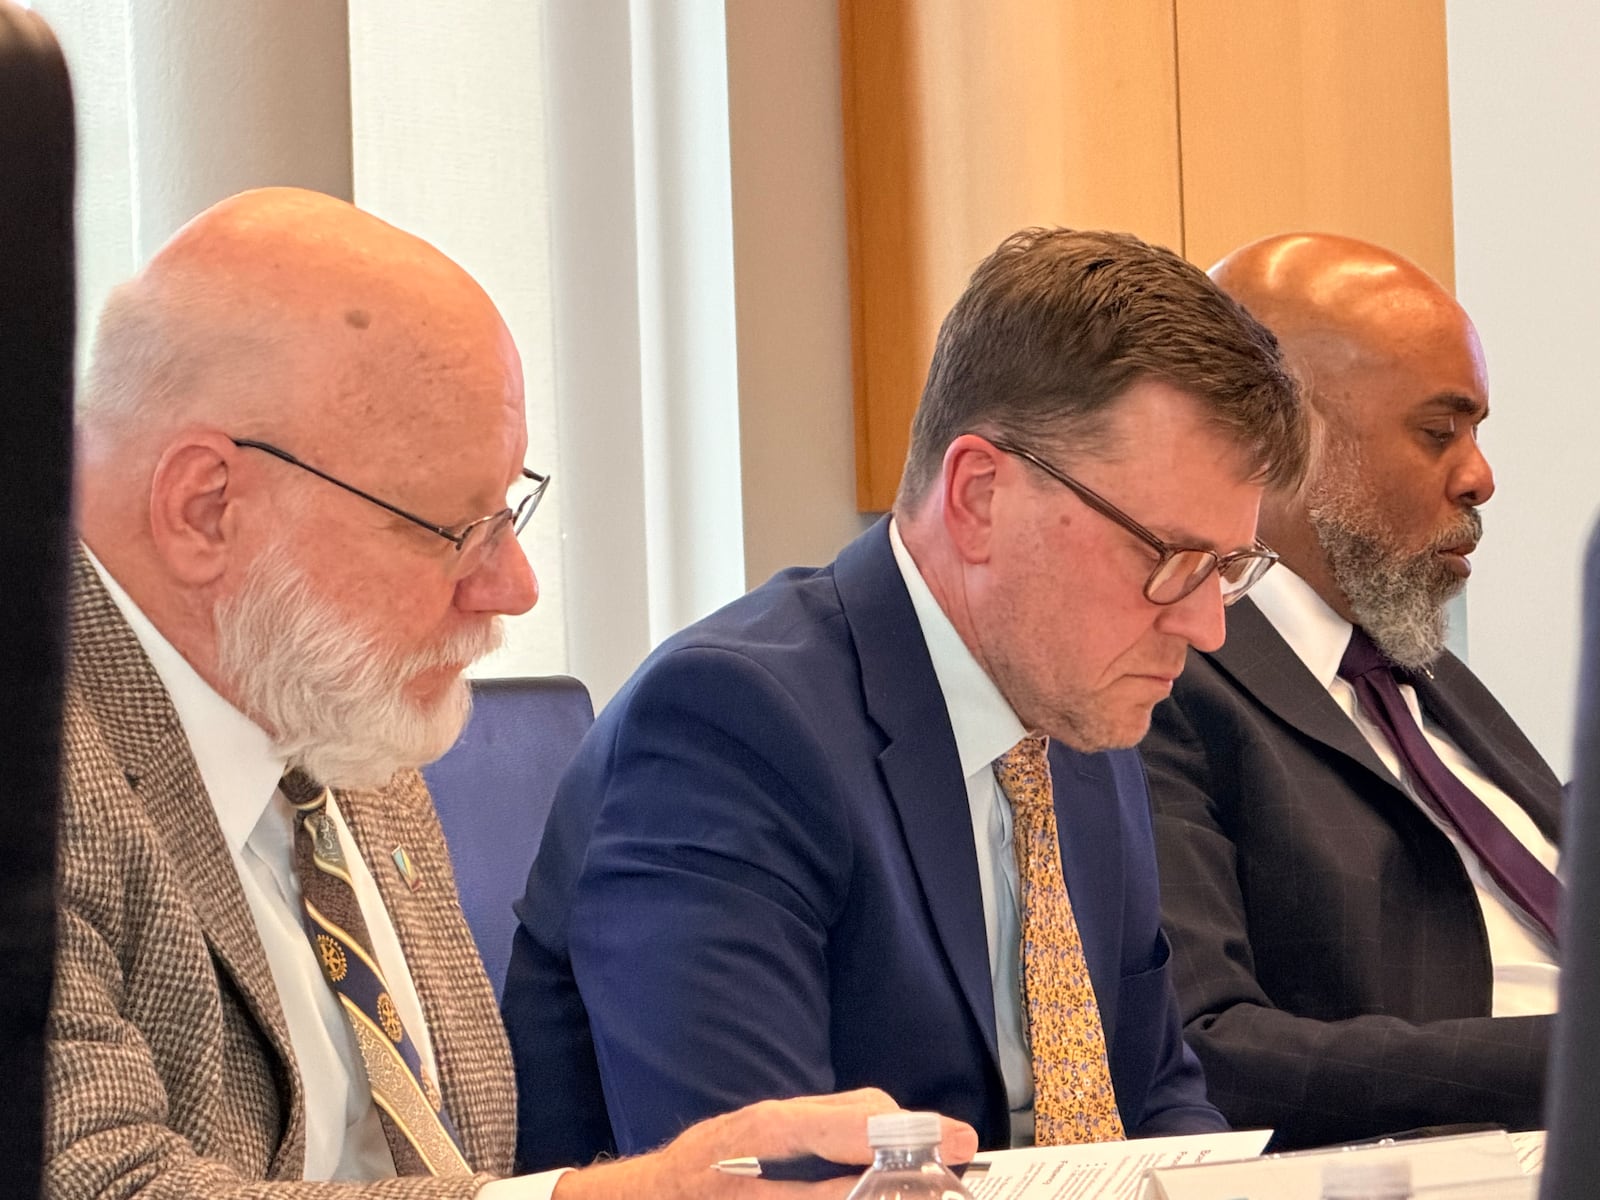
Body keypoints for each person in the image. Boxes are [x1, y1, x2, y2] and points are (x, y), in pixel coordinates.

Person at [50, 186, 976, 1197]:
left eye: (507, 512)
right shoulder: (40, 771)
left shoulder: (339, 724)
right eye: (450, 529)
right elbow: (95, 1182)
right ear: (205, 507)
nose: (513, 587)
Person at [504, 227, 1308, 1171]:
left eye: (1229, 568)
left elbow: (1156, 1102)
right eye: (1170, 558)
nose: (1207, 625)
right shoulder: (729, 725)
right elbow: (774, 1182)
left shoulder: (1079, 709)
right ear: (977, 496)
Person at [1140, 232, 1563, 1150]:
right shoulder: (1163, 680)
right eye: (1438, 432)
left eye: (1479, 433)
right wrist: (1571, 1064)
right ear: (1278, 437)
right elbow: (1207, 1046)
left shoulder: (1421, 674)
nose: (1480, 477)